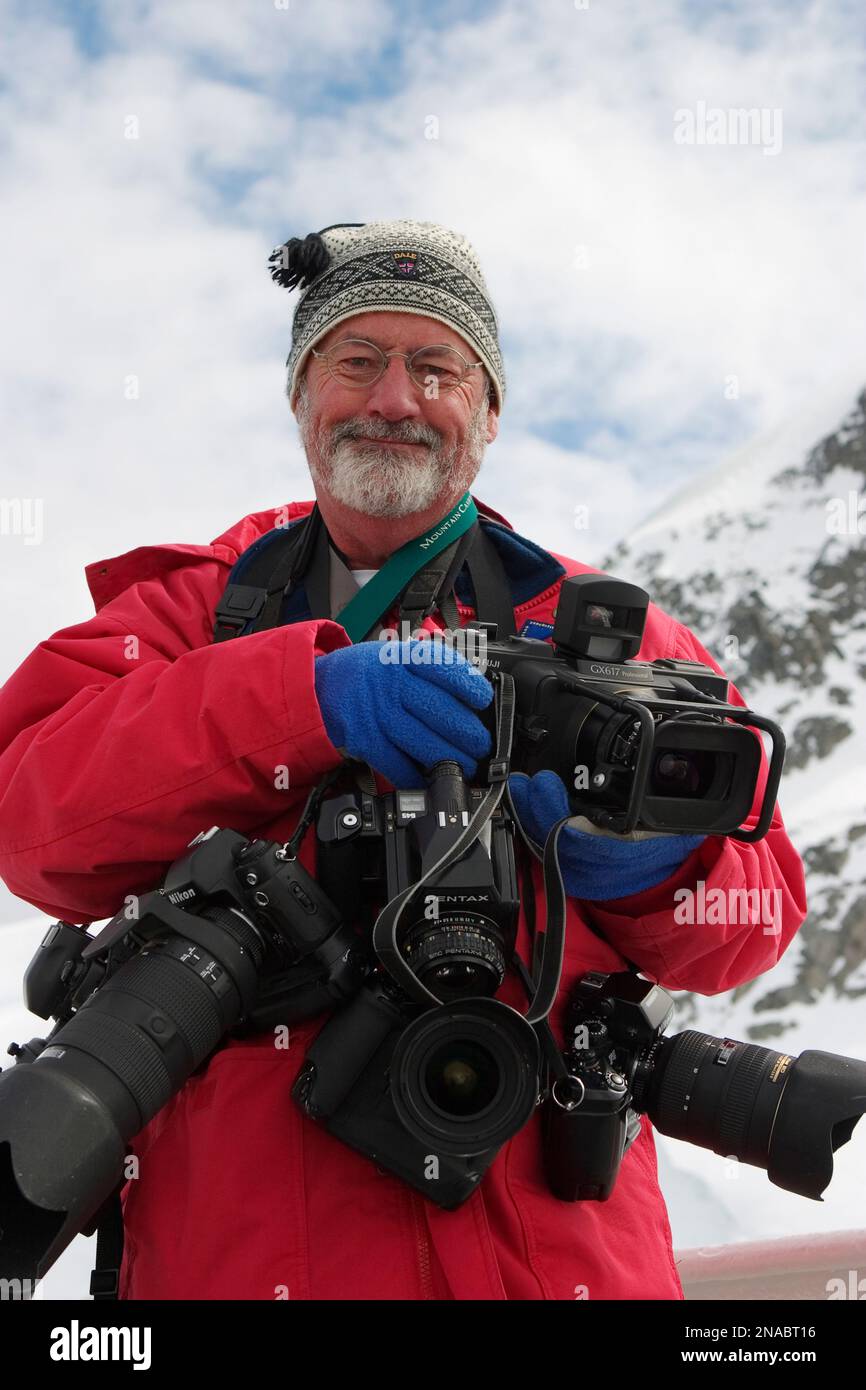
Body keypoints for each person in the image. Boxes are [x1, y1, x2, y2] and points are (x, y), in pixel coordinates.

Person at [0, 219, 807, 1301]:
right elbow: (32, 826)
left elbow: (753, 917)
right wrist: (298, 698)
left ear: (486, 411)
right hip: (236, 1255)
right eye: (356, 361)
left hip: (551, 1260)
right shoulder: (190, 612)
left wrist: (647, 865)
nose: (394, 399)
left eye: (436, 367)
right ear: (300, 395)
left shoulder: (603, 633)